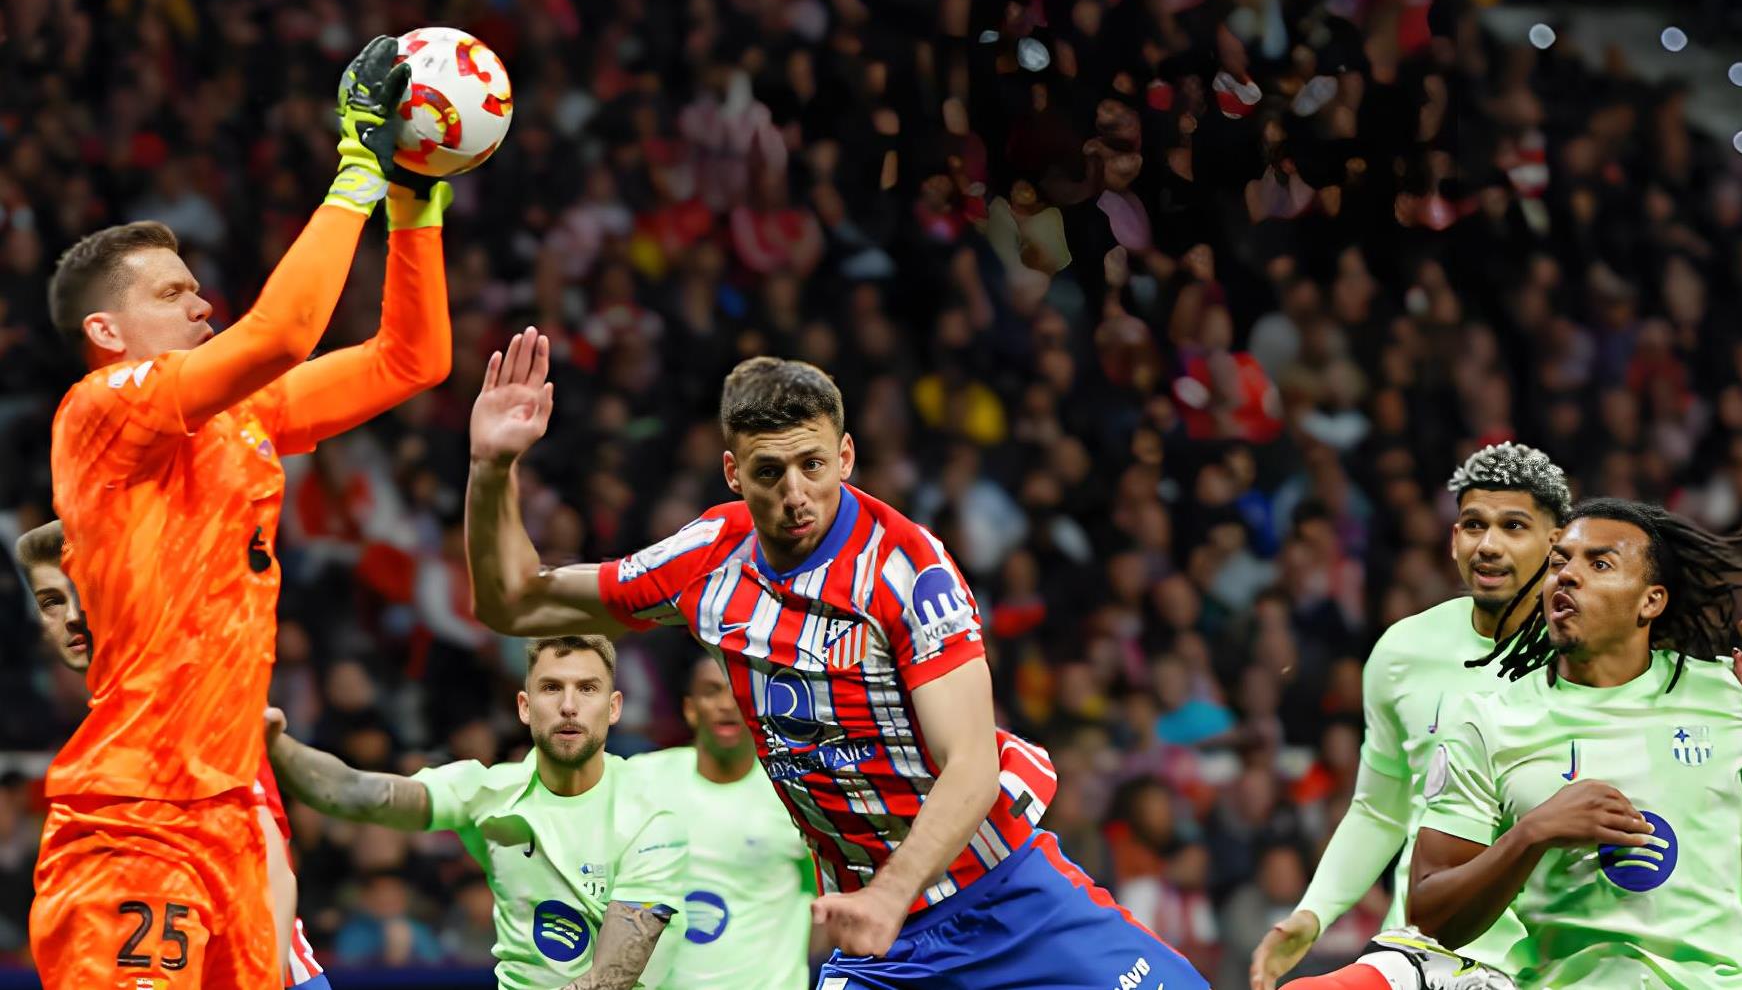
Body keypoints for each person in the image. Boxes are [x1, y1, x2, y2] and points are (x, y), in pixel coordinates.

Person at [465, 335, 1203, 989]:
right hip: (883, 939)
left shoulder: (907, 569)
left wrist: (890, 894)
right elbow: (515, 605)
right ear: (733, 472)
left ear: (845, 456)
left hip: (1003, 895)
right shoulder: (708, 558)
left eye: (813, 465)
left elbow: (973, 765)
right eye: (769, 472)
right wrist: (492, 467)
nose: (796, 495)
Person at [29, 35, 451, 989]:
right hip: (134, 816)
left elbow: (411, 360)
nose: (202, 304)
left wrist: (413, 198)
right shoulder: (100, 409)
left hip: (228, 815)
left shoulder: (242, 416)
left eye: (196, 288)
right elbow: (282, 333)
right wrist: (357, 166)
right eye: (173, 293)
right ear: (106, 330)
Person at [1410, 498, 1742, 989]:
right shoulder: (1487, 720)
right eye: (1558, 562)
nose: (1566, 575)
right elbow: (1430, 918)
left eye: (1599, 564)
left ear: (1651, 601)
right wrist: (1532, 834)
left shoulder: (1726, 695)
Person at [1251, 443, 1567, 988]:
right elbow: (1380, 808)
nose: (1488, 545)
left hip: (1555, 959)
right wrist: (1314, 912)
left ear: (1557, 542)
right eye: (1474, 525)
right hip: (1426, 951)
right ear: (1454, 538)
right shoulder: (1402, 651)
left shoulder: (1591, 654)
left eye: (1514, 526)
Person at [264, 634, 689, 990]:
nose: (568, 705)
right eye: (551, 688)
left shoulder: (651, 813)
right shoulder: (487, 792)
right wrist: (268, 739)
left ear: (614, 708)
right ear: (524, 706)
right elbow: (352, 791)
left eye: (587, 689)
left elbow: (610, 979)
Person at [15, 519, 332, 989]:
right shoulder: (124, 718)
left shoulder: (184, 698)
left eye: (85, 591)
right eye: (51, 602)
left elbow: (269, 866)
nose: (72, 616)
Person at [623, 655, 820, 990]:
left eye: (738, 692)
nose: (727, 704)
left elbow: (828, 903)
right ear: (690, 709)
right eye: (712, 691)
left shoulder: (795, 793)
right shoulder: (641, 777)